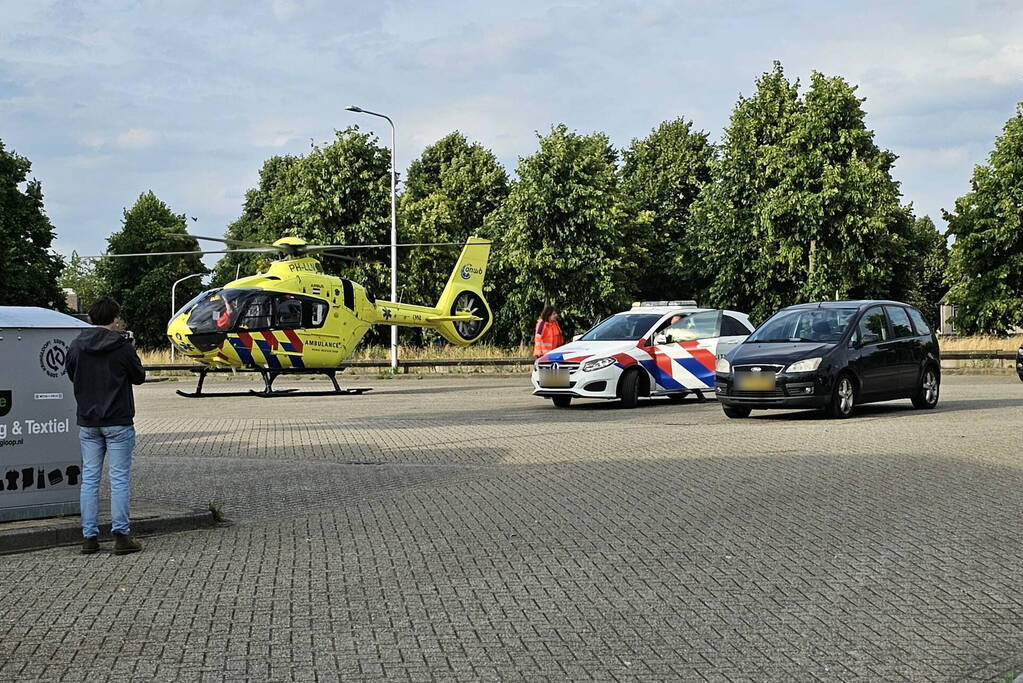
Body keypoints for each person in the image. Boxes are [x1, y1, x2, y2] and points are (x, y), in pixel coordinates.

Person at [65, 297, 146, 556]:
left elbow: (71, 374)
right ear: (115, 319)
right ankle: (121, 536)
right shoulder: (122, 347)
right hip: (118, 420)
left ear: (90, 318)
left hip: (88, 422)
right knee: (119, 479)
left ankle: (89, 537)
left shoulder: (76, 346)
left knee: (89, 479)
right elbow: (139, 377)